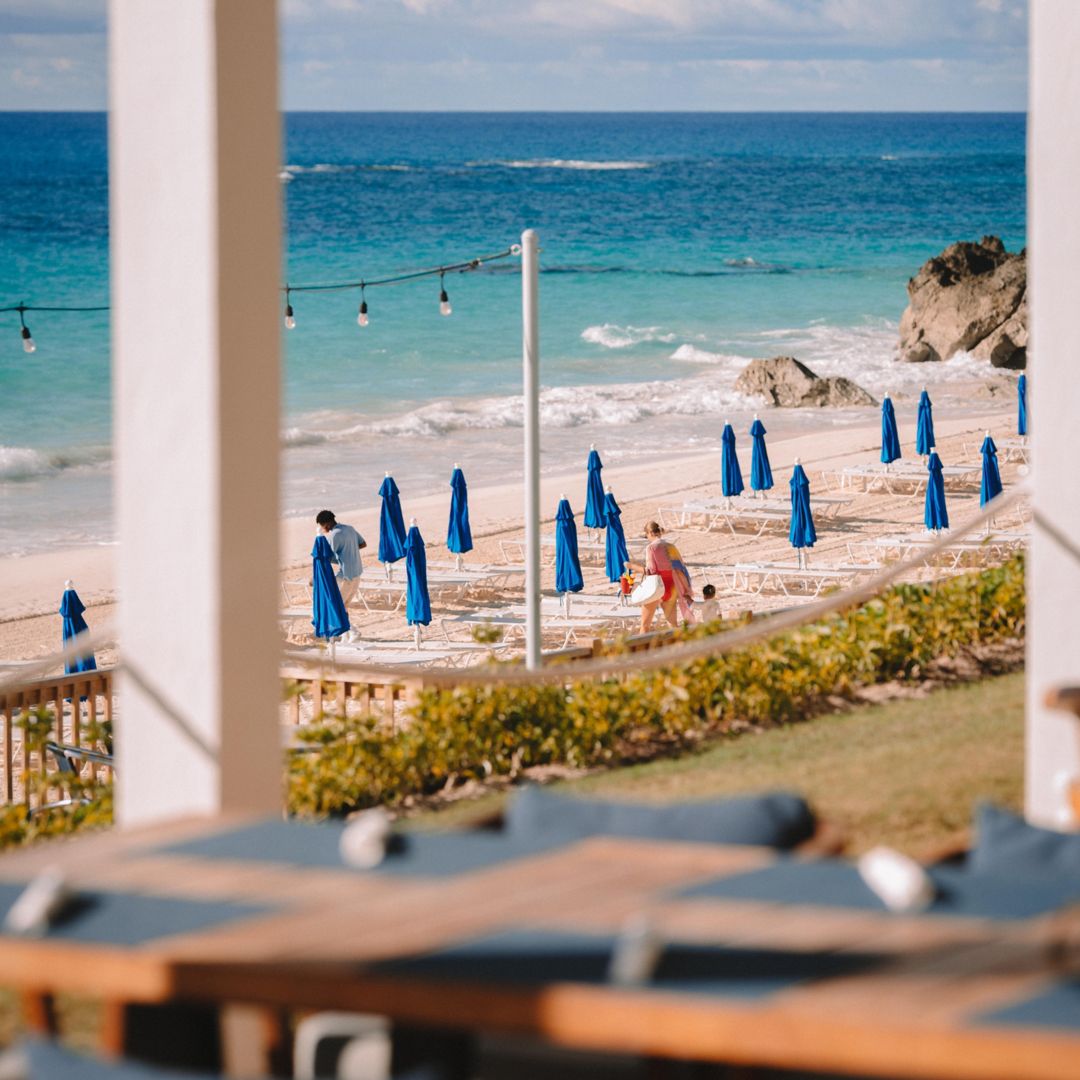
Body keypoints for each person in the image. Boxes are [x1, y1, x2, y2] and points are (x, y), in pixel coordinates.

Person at [316, 510, 366, 638]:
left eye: (322, 527)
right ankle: (345, 635)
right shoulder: (350, 528)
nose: (323, 529)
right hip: (357, 573)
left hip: (346, 576)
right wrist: (348, 551)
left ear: (326, 525)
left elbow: (326, 557)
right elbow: (362, 544)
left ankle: (352, 631)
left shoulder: (334, 536)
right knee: (343, 606)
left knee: (336, 606)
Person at [627, 520, 679, 633]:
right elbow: (679, 567)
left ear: (649, 533)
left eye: (646, 536)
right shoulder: (671, 546)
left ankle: (642, 651)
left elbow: (651, 571)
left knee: (645, 626)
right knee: (673, 625)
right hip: (670, 584)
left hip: (656, 586)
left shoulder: (651, 548)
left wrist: (631, 566)